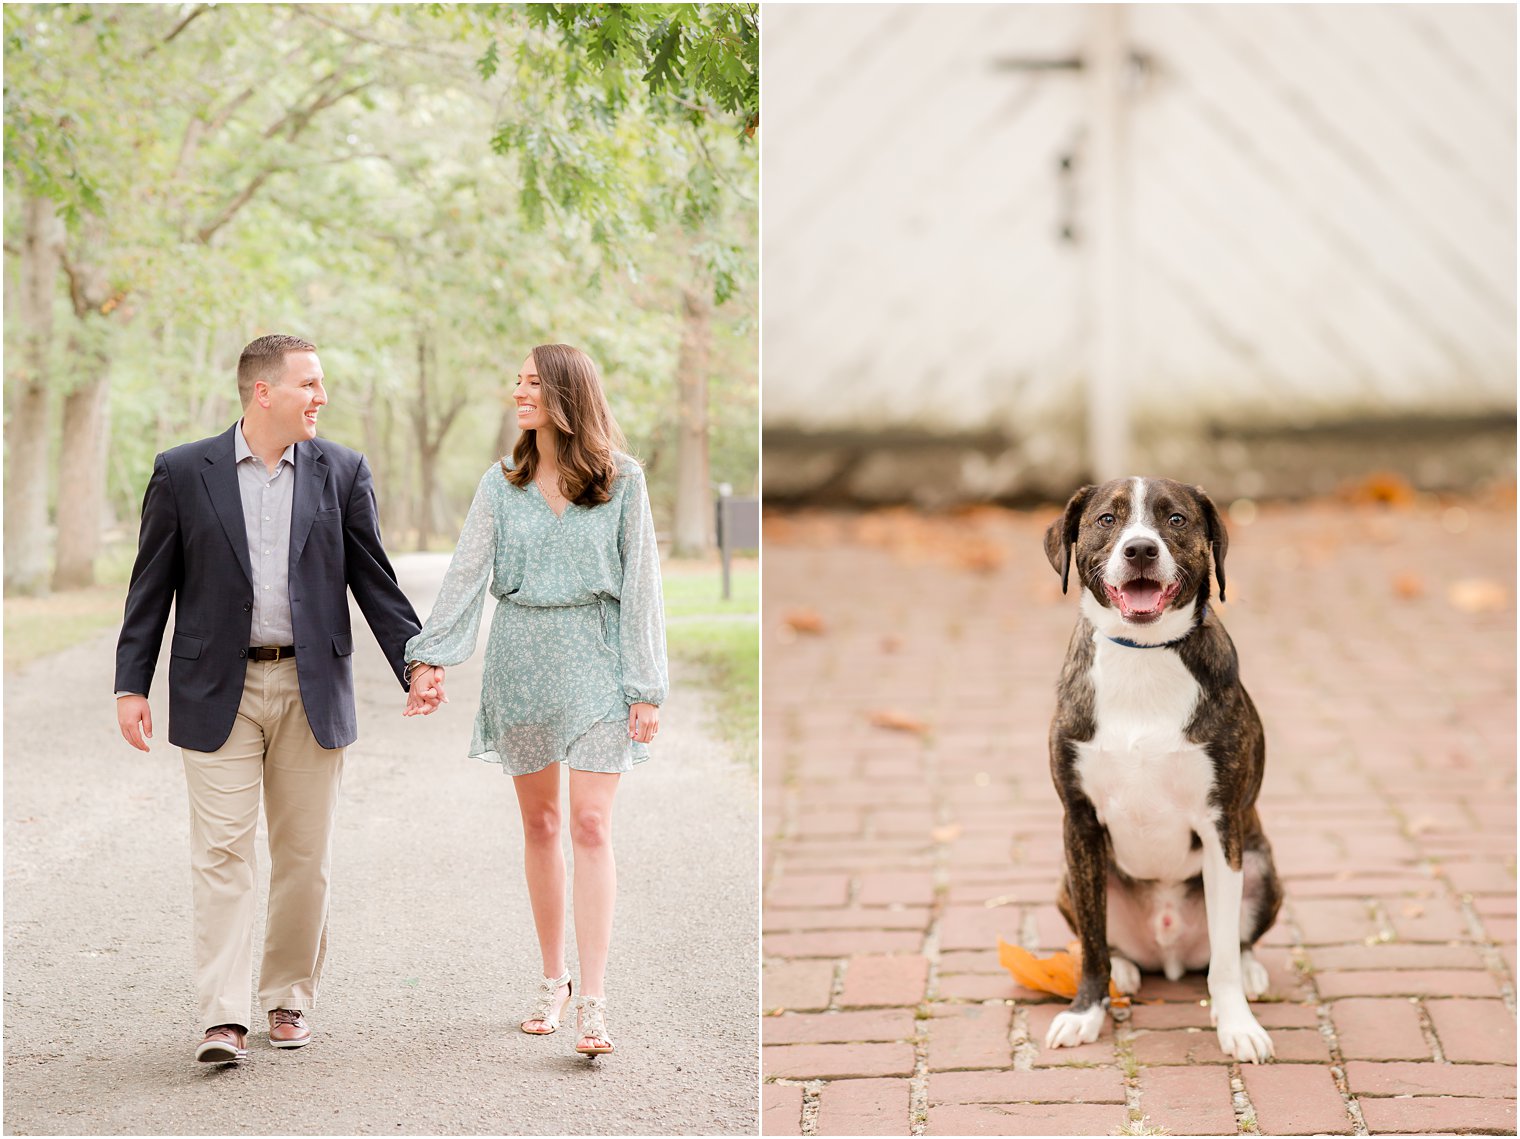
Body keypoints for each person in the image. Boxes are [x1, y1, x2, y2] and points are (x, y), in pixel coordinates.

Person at [115, 334, 438, 1063]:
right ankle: (223, 1015)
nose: (321, 396)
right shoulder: (182, 471)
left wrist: (416, 662)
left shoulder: (342, 470)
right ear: (265, 391)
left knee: (304, 854)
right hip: (212, 688)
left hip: (310, 685)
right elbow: (150, 585)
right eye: (310, 383)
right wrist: (131, 680)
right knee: (222, 851)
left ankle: (287, 996)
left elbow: (375, 581)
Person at [402, 343, 667, 1057]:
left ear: (566, 395)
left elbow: (642, 586)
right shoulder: (501, 483)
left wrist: (646, 686)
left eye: (532, 383)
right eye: (517, 381)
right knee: (544, 822)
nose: (519, 392)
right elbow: (464, 574)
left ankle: (596, 1001)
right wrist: (429, 657)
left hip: (597, 661)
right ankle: (555, 980)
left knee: (590, 823)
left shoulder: (623, 481)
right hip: (521, 659)